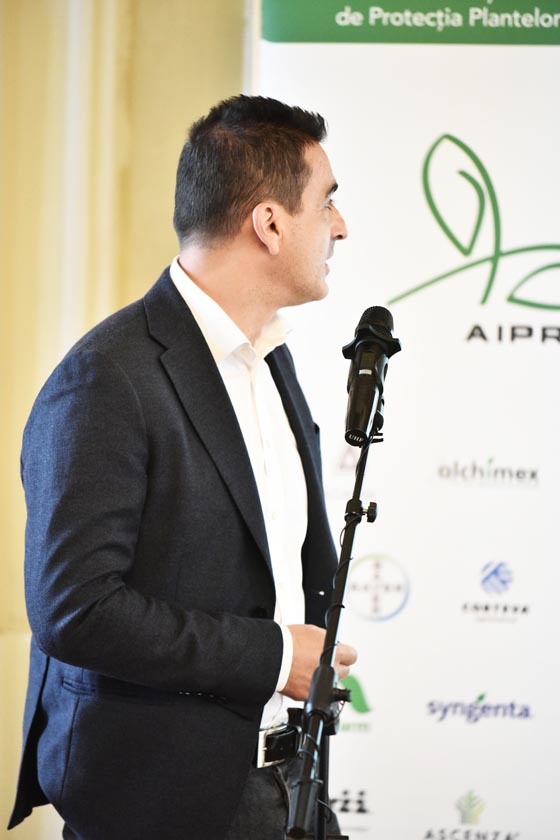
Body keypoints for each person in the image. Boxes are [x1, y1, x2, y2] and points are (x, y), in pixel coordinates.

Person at [9, 94, 356, 839]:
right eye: (327, 201)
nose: (340, 226)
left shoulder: (272, 358)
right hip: (158, 802)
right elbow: (75, 609)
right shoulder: (106, 377)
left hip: (289, 780)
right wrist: (274, 658)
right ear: (269, 223)